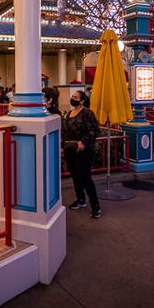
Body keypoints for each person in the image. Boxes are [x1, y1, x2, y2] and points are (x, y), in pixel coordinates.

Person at [62, 90, 101, 218]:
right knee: (75, 176)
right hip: (70, 149)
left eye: (76, 97)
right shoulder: (69, 113)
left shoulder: (87, 113)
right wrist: (63, 146)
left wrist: (83, 142)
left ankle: (95, 205)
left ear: (82, 101)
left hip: (83, 150)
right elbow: (65, 132)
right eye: (72, 96)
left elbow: (95, 130)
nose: (73, 99)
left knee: (85, 177)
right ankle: (80, 199)